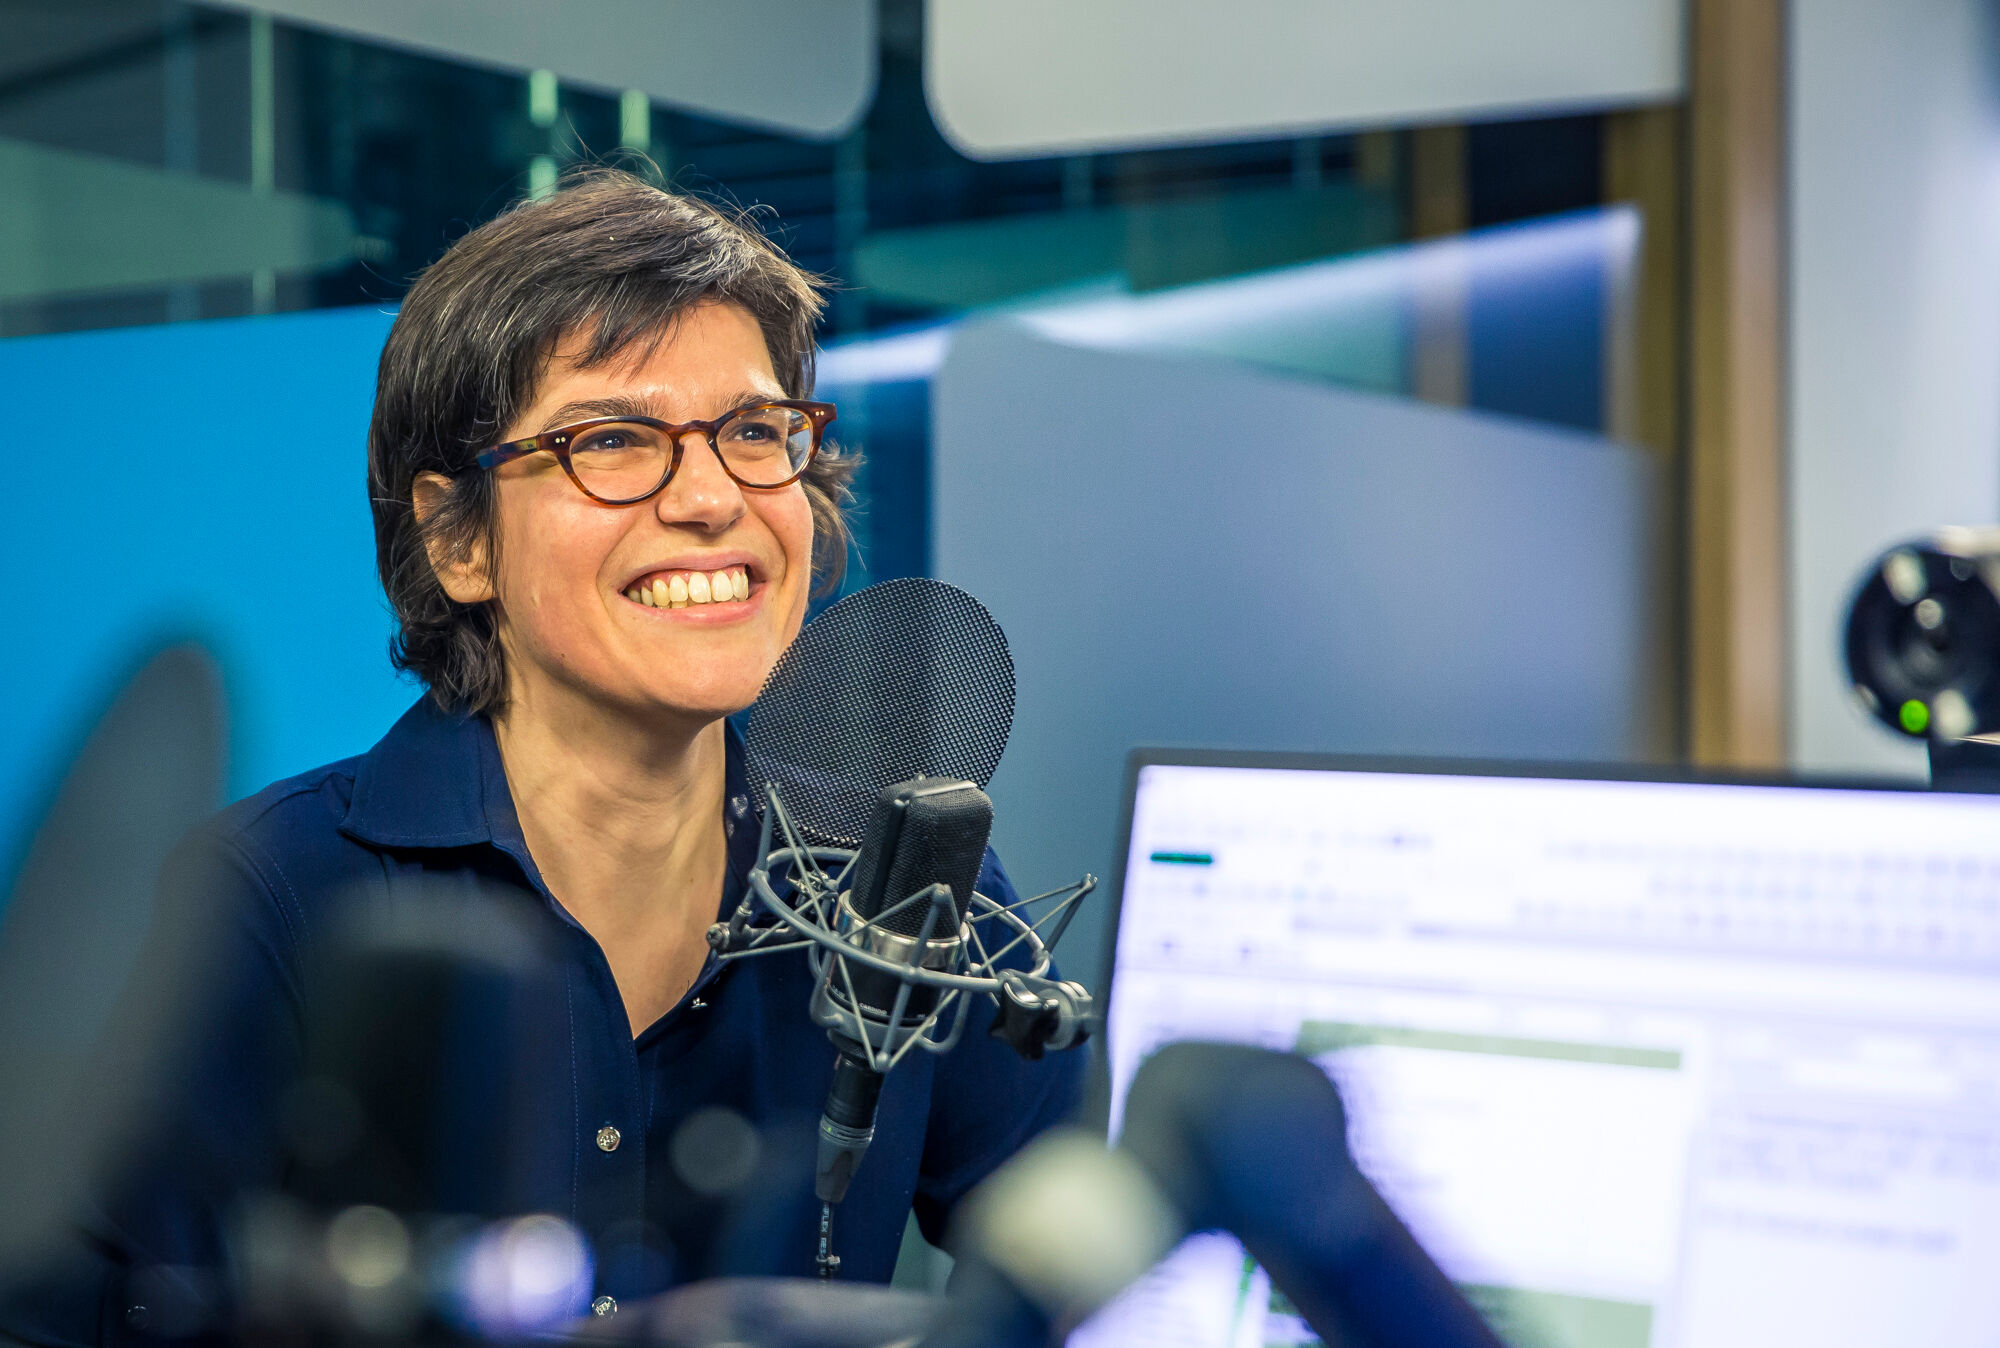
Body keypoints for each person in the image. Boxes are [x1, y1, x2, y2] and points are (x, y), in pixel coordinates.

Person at [4, 168, 1081, 1342]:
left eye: (752, 432)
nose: (712, 497)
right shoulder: (257, 905)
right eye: (611, 439)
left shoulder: (910, 887)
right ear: (456, 538)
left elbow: (1099, 1286)